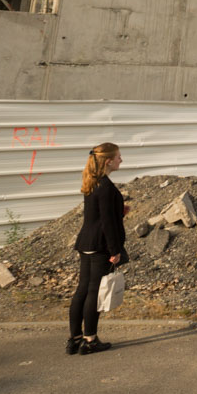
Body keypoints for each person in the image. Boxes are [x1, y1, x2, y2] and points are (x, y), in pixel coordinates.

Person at [69, 143, 127, 356]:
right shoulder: (106, 186)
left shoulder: (92, 182)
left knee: (82, 291)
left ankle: (74, 339)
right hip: (100, 245)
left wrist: (119, 211)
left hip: (86, 242)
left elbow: (101, 215)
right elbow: (106, 223)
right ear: (108, 161)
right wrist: (115, 250)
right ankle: (90, 340)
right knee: (93, 292)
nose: (121, 160)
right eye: (119, 156)